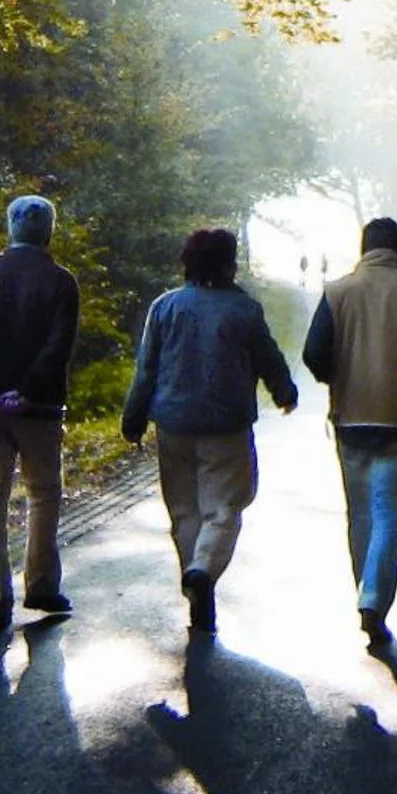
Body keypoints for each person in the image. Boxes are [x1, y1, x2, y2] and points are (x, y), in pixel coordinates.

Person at [120, 226, 299, 635]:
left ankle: (195, 584)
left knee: (183, 509)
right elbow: (267, 358)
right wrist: (284, 391)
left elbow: (146, 368)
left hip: (173, 423)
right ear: (228, 264)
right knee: (223, 508)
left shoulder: (165, 307)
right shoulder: (244, 310)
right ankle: (202, 571)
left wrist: (134, 417)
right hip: (227, 425)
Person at [302, 216, 397, 645]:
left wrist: (338, 377)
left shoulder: (337, 292)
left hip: (351, 419)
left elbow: (313, 352)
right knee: (389, 514)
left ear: (363, 247)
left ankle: (364, 590)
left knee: (360, 515)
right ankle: (374, 598)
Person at [0, 193, 81, 633]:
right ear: (49, 230)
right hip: (38, 409)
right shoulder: (61, 282)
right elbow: (57, 347)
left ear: (9, 226)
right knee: (43, 493)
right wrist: (24, 391)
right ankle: (40, 585)